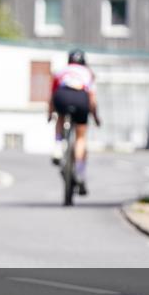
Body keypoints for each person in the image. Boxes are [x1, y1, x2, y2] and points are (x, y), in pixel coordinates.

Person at [47, 49, 101, 195]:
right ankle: (80, 172)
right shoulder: (88, 73)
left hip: (62, 96)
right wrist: (95, 116)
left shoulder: (61, 71)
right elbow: (92, 98)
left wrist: (50, 114)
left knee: (59, 117)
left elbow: (52, 96)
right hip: (80, 97)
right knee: (81, 137)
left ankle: (58, 147)